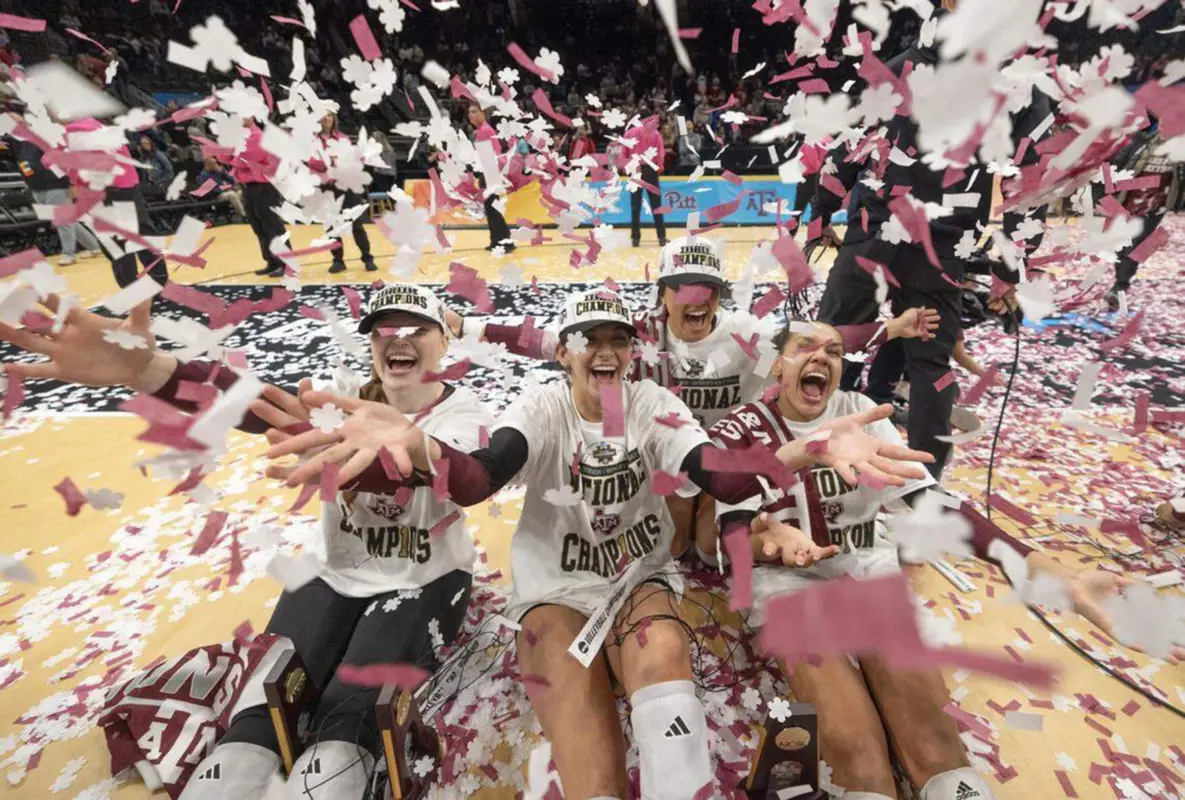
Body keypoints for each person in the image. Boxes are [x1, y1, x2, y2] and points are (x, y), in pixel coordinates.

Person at [263, 288, 935, 800]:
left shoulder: (652, 405)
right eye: (588, 338)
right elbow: (478, 479)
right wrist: (423, 449)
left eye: (618, 338)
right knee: (589, 760)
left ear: (633, 352)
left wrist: (796, 452)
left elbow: (719, 475)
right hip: (556, 588)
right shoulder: (540, 408)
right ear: (564, 353)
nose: (605, 350)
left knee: (664, 657)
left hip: (638, 579)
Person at [0, 284, 492, 800]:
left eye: (417, 328)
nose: (399, 338)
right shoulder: (344, 392)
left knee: (342, 737)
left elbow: (463, 480)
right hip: (333, 571)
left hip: (425, 577)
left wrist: (369, 457)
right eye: (385, 329)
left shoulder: (464, 414)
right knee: (250, 734)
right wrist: (149, 370)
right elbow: (256, 403)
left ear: (444, 342)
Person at [705, 319, 1183, 800]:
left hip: (864, 575)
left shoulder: (861, 413)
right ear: (778, 365)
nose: (822, 357)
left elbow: (934, 503)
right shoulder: (740, 429)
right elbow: (713, 539)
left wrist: (1059, 576)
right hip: (788, 589)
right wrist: (763, 536)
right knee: (858, 757)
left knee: (936, 747)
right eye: (805, 346)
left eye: (832, 350)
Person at [447, 236, 938, 564]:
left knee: (709, 549)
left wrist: (892, 328)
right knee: (673, 546)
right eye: (684, 289)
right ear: (663, 294)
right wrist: (467, 326)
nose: (697, 299)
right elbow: (543, 340)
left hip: (733, 455)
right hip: (668, 457)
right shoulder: (631, 336)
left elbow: (818, 341)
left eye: (708, 289)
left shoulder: (746, 333)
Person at [810, 17, 1050, 478]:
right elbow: (1030, 186)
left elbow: (846, 149)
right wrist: (1006, 270)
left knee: (827, 344)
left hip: (875, 236)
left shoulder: (895, 69)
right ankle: (924, 484)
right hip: (939, 248)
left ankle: (818, 463)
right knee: (929, 367)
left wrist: (821, 212)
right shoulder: (1018, 87)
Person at [64, 116, 169, 291]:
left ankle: (131, 289)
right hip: (128, 187)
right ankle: (160, 281)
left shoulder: (72, 131)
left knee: (116, 244)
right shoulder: (105, 128)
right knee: (143, 235)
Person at [1103, 120, 1184, 310]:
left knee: (1135, 245)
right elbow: (1118, 161)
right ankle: (1119, 282)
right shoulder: (1142, 142)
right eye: (1164, 123)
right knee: (1120, 246)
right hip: (1128, 202)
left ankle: (1120, 287)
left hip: (1154, 207)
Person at [8, 134, 101, 265]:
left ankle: (69, 254)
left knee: (63, 221)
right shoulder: (15, 142)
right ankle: (94, 246)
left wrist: (72, 183)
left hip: (55, 185)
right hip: (36, 189)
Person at [311, 112, 377, 274]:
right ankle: (338, 260)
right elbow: (310, 161)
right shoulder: (312, 141)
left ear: (334, 118)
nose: (326, 118)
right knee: (331, 226)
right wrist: (330, 162)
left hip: (346, 185)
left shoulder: (343, 138)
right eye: (323, 115)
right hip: (326, 188)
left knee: (356, 223)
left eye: (329, 115)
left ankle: (367, 257)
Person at [236, 117, 290, 278]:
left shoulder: (258, 136)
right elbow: (229, 158)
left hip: (265, 186)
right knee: (258, 227)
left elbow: (243, 161)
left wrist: (234, 157)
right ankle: (272, 261)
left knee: (273, 226)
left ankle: (287, 264)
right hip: (248, 187)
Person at [467, 104, 512, 252]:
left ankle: (502, 242)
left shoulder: (485, 130)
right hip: (488, 171)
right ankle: (499, 240)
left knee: (492, 208)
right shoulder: (483, 130)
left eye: (474, 111)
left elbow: (494, 152)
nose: (470, 115)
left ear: (483, 113)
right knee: (492, 208)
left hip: (489, 171)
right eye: (469, 112)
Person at [622, 115, 667, 248]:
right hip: (650, 170)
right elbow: (660, 152)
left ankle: (635, 239)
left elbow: (624, 153)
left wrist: (627, 169)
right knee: (656, 205)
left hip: (635, 169)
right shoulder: (655, 133)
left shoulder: (629, 133)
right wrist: (659, 167)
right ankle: (661, 237)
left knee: (635, 206)